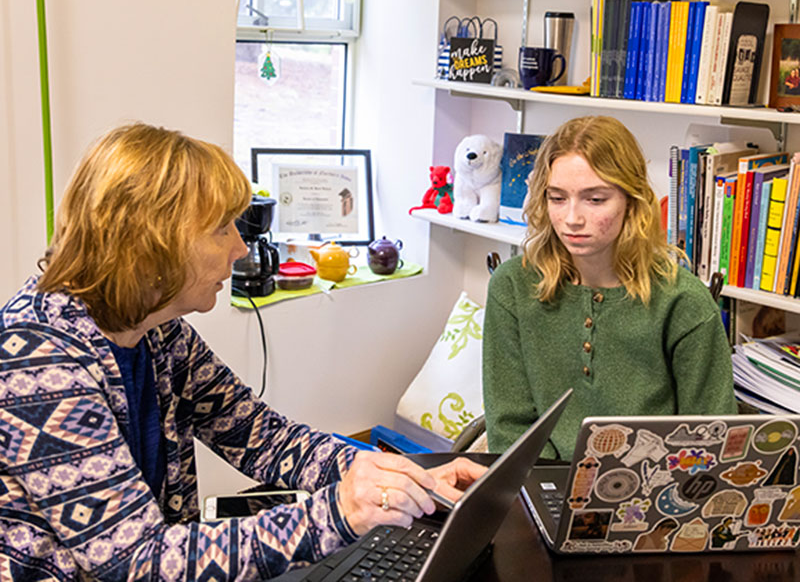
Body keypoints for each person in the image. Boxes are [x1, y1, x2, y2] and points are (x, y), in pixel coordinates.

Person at [0, 123, 486, 581]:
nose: (239, 248)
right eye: (221, 229)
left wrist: (400, 475)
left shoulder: (157, 332)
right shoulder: (37, 363)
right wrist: (340, 512)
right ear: (151, 244)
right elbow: (137, 562)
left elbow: (263, 436)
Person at [483, 115, 737, 459]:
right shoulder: (512, 286)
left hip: (649, 496)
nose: (572, 218)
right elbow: (509, 429)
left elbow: (710, 440)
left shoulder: (684, 302)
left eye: (595, 200)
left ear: (632, 202)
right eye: (557, 198)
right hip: (540, 485)